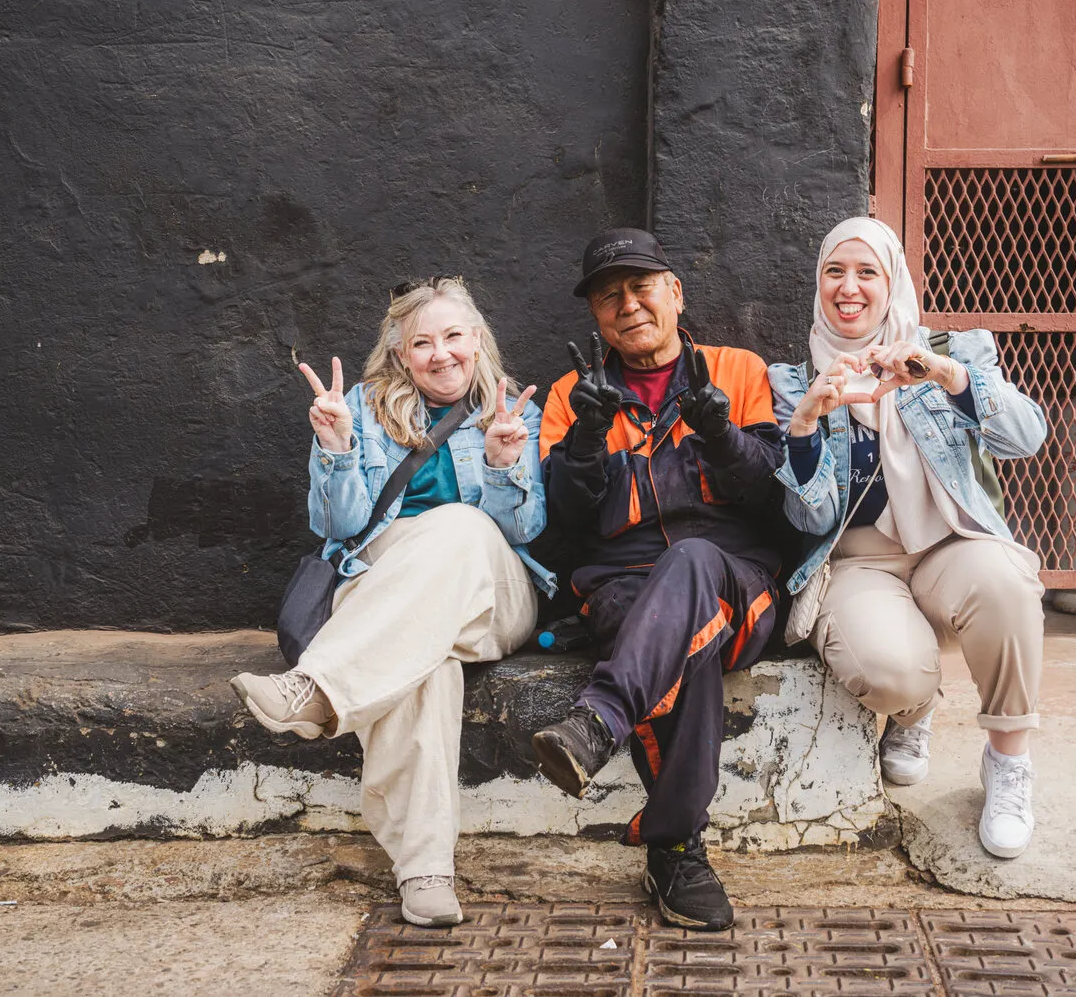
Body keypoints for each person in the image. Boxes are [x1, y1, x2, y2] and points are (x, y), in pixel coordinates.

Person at [229, 277, 553, 927]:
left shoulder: (510, 408)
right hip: (392, 599)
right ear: (403, 354)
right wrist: (337, 448)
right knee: (427, 662)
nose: (441, 354)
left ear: (477, 338)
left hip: (495, 593)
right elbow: (341, 529)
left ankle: (321, 687)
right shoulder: (365, 406)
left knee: (458, 528)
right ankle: (425, 869)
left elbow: (525, 531)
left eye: (454, 336)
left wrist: (501, 465)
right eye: (423, 343)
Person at [768, 217, 1048, 859]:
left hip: (951, 541)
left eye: (868, 272)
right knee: (886, 670)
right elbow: (809, 522)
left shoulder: (953, 350)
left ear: (892, 281)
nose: (849, 287)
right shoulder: (791, 381)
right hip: (860, 560)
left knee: (1006, 584)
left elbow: (1026, 438)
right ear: (818, 284)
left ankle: (1008, 763)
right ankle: (914, 711)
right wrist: (808, 428)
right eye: (835, 271)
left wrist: (947, 378)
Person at [529, 228, 785, 931]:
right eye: (609, 296)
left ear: (675, 293)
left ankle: (600, 718)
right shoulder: (570, 394)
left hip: (737, 581)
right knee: (682, 650)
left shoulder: (737, 369)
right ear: (595, 317)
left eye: (642, 286)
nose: (628, 304)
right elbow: (564, 522)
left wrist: (723, 435)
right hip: (622, 586)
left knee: (694, 561)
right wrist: (584, 437)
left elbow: (771, 497)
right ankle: (675, 847)